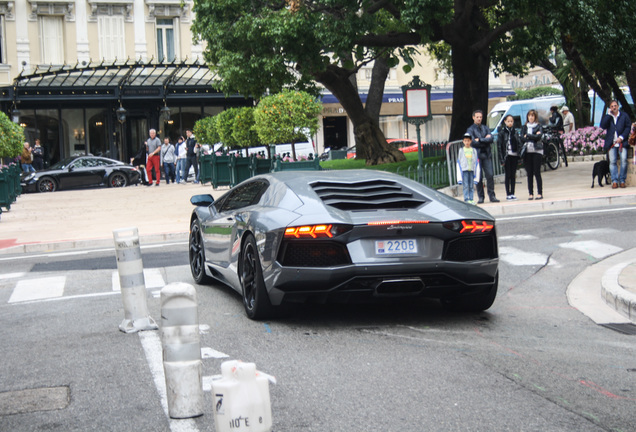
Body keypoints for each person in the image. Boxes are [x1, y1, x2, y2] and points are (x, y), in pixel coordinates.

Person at [467, 110, 499, 203]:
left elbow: (491, 139)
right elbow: (472, 142)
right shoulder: (470, 129)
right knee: (478, 177)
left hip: (486, 154)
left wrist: (480, 140)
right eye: (477, 117)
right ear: (473, 117)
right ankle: (481, 197)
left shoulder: (485, 128)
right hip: (476, 155)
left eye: (480, 117)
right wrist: (485, 140)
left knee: (490, 175)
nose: (479, 119)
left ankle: (492, 196)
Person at [600, 100, 631, 188]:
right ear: (610, 108)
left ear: (618, 106)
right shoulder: (608, 117)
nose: (614, 107)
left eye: (615, 105)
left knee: (623, 160)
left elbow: (628, 127)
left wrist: (621, 137)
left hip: (622, 142)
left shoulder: (624, 115)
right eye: (612, 106)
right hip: (612, 143)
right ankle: (614, 181)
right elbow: (602, 126)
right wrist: (608, 115)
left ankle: (622, 180)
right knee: (612, 162)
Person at [497, 114, 521, 200]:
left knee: (513, 175)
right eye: (508, 121)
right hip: (506, 156)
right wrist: (501, 159)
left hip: (514, 155)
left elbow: (519, 144)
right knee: (508, 175)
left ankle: (513, 193)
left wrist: (519, 157)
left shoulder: (515, 132)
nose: (510, 123)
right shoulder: (502, 133)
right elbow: (499, 146)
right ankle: (508, 193)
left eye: (511, 121)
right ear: (505, 122)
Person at [522, 109, 544, 200]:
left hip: (537, 151)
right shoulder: (524, 127)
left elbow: (539, 136)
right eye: (529, 116)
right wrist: (532, 136)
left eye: (532, 116)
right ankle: (530, 193)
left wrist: (528, 136)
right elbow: (522, 138)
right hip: (527, 151)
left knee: (537, 172)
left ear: (535, 117)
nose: (531, 117)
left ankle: (540, 193)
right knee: (529, 173)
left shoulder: (538, 126)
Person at [456, 133, 480, 204]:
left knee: (471, 185)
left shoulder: (473, 150)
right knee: (466, 185)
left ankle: (471, 198)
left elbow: (476, 161)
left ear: (471, 141)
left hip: (471, 170)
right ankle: (466, 199)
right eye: (465, 141)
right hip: (464, 170)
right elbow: (459, 161)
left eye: (468, 141)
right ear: (463, 141)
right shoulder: (461, 150)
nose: (467, 142)